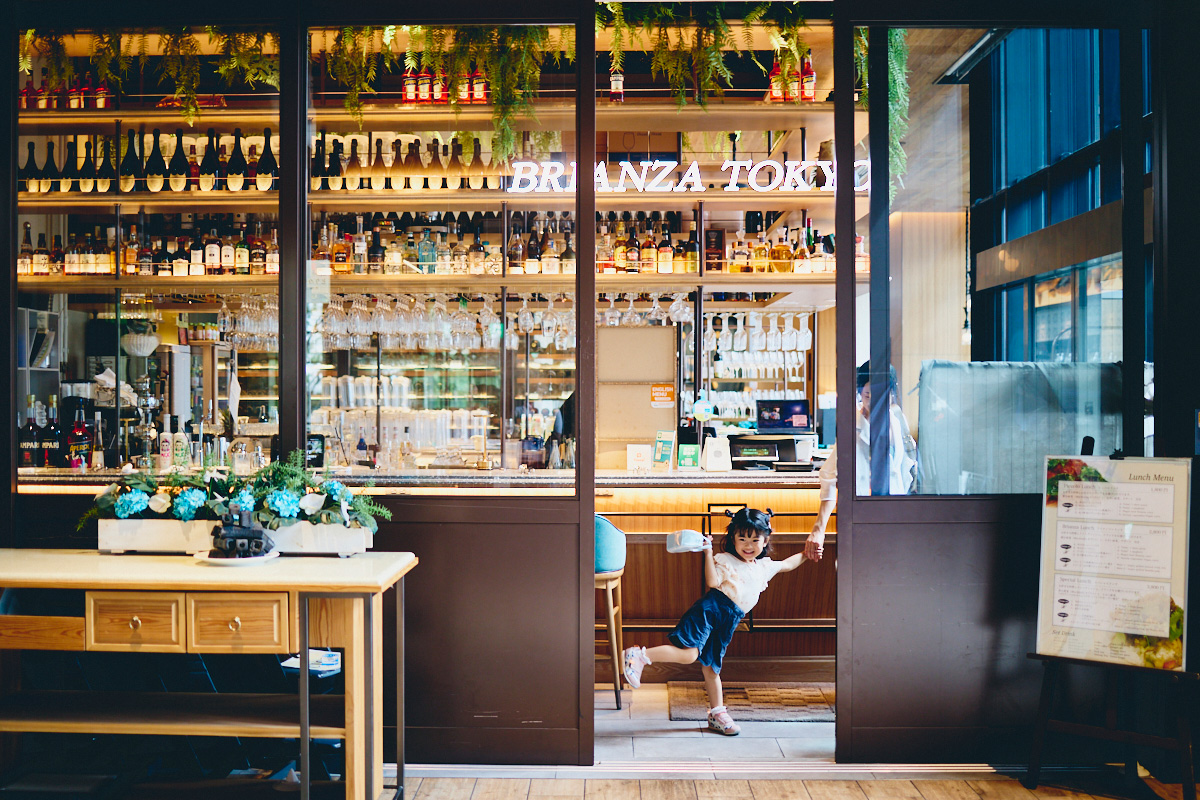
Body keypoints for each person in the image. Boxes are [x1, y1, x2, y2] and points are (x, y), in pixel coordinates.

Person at [622, 508, 809, 736]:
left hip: (729, 619)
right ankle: (639, 656)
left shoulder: (764, 566)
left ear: (766, 540)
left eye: (754, 539)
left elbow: (788, 564)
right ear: (733, 539)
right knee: (689, 654)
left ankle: (717, 714)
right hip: (710, 610)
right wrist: (708, 553)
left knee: (711, 667)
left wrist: (808, 552)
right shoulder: (725, 559)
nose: (748, 545)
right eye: (742, 538)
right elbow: (712, 582)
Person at [805, 361, 916, 562]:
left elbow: (908, 466)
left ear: (891, 392)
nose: (871, 397)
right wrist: (819, 529)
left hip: (895, 517)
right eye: (867, 391)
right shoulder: (850, 426)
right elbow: (829, 476)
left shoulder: (897, 421)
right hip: (861, 517)